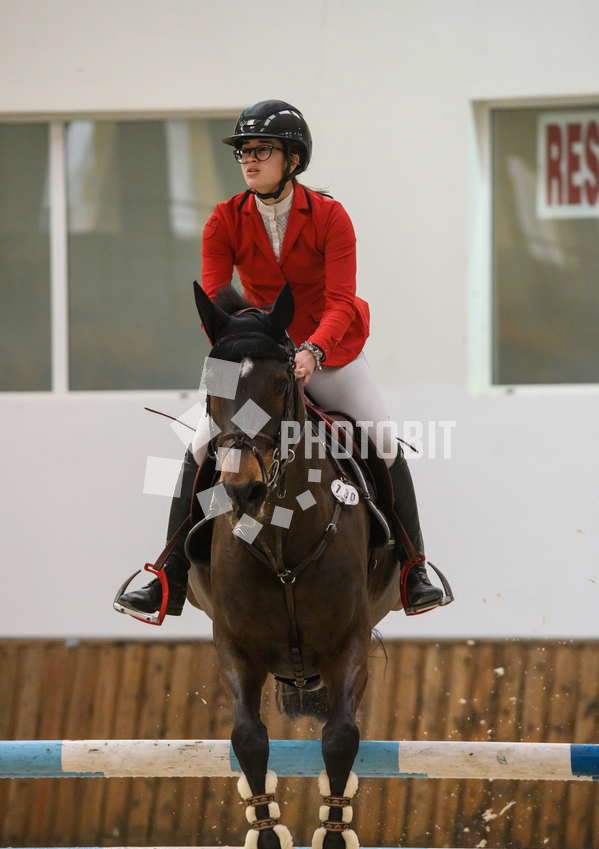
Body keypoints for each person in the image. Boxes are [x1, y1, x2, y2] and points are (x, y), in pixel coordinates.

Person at [116, 99, 449, 620]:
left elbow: (341, 299)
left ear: (292, 159)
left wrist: (314, 349)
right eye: (244, 152)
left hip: (332, 352)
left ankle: (414, 569)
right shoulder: (223, 219)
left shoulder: (331, 217)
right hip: (256, 358)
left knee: (383, 441)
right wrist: (246, 346)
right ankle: (168, 576)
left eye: (262, 150)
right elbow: (215, 300)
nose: (249, 160)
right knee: (199, 447)